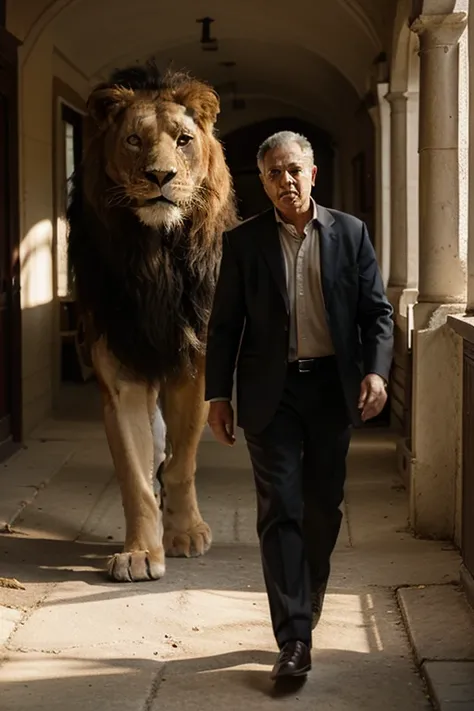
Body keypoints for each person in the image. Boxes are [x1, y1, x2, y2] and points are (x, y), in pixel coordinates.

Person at [204, 131, 393, 681]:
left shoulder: (351, 234)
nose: (284, 181)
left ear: (313, 174)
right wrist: (218, 395)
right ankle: (294, 638)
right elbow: (225, 327)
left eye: (293, 170)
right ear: (261, 182)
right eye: (272, 174)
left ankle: (306, 590)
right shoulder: (244, 244)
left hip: (332, 389)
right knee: (280, 507)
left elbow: (376, 313)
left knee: (322, 506)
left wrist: (377, 371)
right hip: (272, 393)